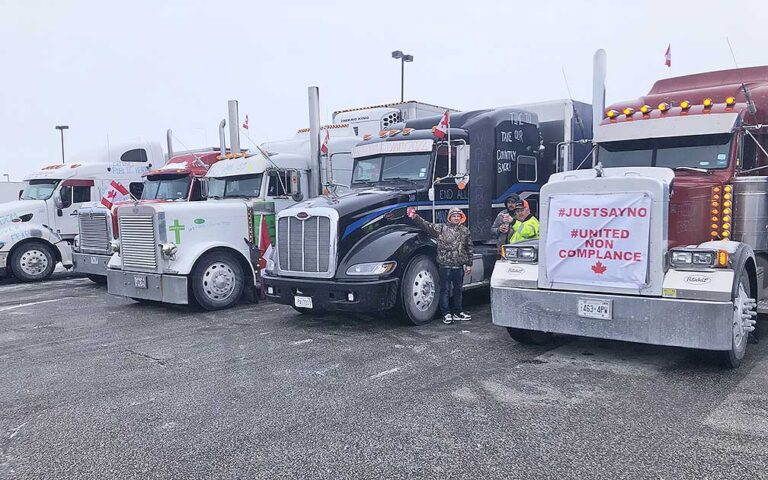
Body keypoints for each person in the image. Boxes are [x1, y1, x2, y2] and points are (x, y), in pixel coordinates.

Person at [407, 206, 473, 324]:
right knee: (445, 290)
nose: (456, 218)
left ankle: (458, 312)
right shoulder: (441, 228)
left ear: (462, 218)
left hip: (459, 267)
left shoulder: (465, 231)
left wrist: (469, 264)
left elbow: (469, 248)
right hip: (445, 267)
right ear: (449, 218)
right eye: (454, 216)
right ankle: (446, 313)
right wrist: (415, 217)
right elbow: (426, 225)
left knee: (458, 290)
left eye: (458, 216)